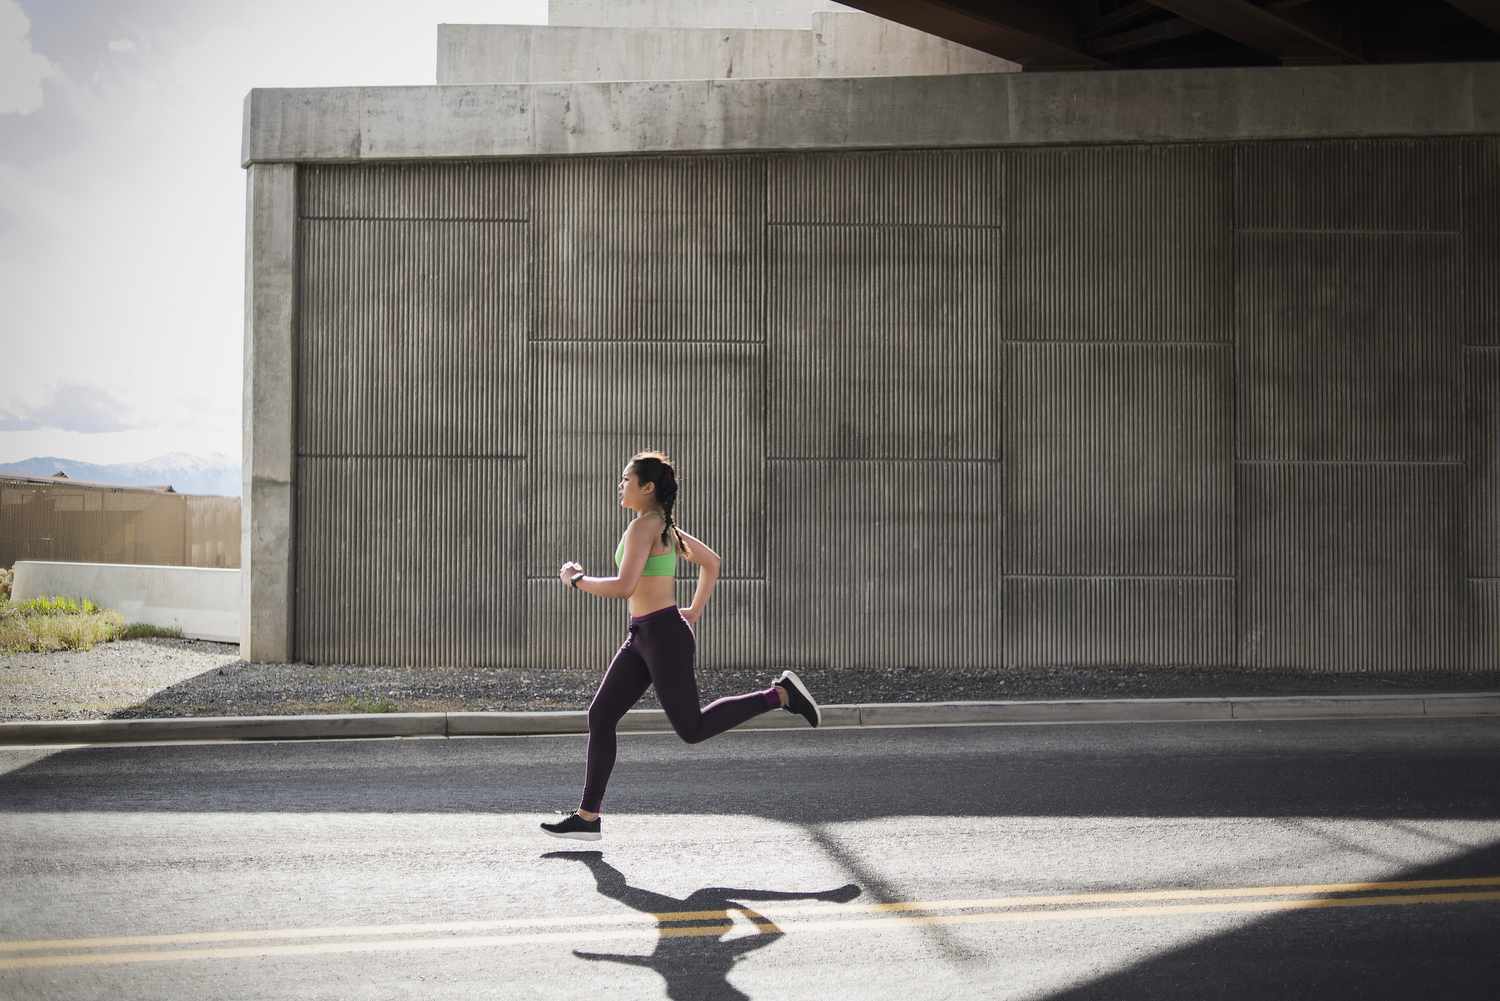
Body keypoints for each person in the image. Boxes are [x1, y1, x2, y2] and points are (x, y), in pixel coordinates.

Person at [543, 449, 820, 842]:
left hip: (662, 636)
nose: (621, 485)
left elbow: (624, 586)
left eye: (627, 479)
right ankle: (588, 817)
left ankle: (780, 695)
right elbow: (713, 562)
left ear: (648, 487)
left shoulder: (645, 528)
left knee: (692, 728)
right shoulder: (663, 527)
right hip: (645, 634)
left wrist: (577, 580)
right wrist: (693, 611)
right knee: (601, 715)